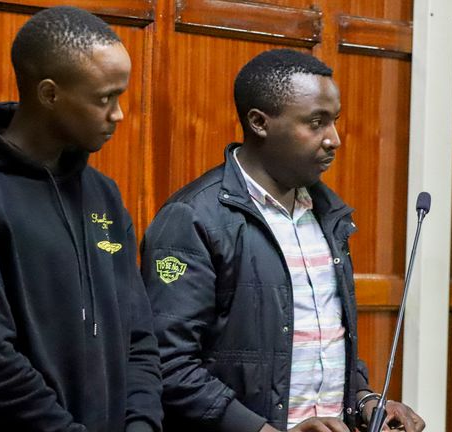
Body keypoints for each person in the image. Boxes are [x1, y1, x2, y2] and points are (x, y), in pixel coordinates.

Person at [140, 49, 426, 432]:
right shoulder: (193, 217)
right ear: (260, 122)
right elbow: (168, 364)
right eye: (316, 123)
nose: (335, 140)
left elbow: (327, 343)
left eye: (335, 121)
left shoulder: (328, 214)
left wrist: (365, 401)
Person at [0, 7, 162, 432]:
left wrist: (142, 424)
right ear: (49, 94)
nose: (118, 114)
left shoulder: (104, 195)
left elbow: (138, 338)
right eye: (105, 98)